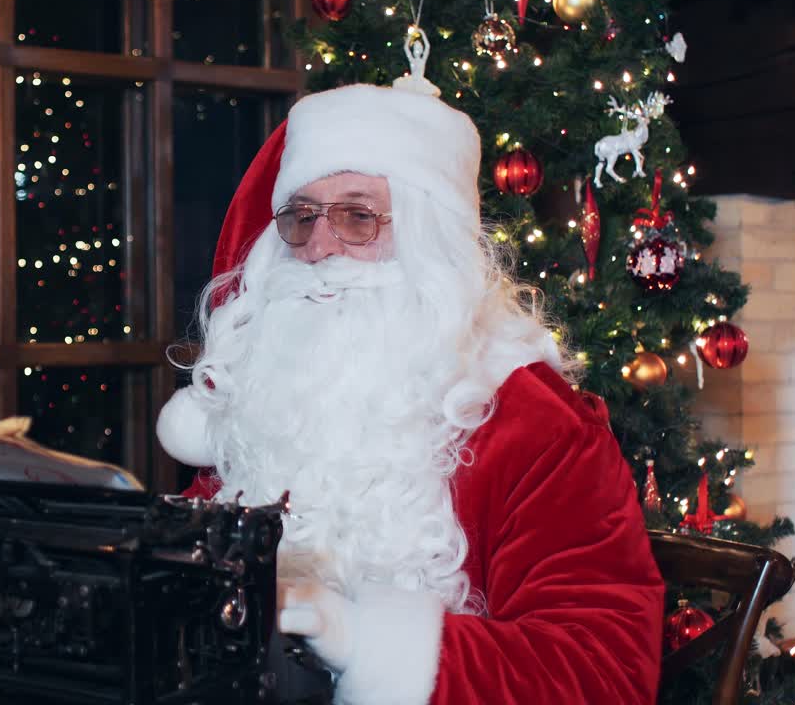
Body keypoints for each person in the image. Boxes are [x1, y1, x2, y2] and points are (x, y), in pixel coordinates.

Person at [155, 80, 665, 704]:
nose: (319, 248)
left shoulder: (540, 426)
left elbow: (604, 673)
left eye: (358, 217)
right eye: (301, 216)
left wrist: (370, 645)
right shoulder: (271, 395)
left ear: (431, 238)